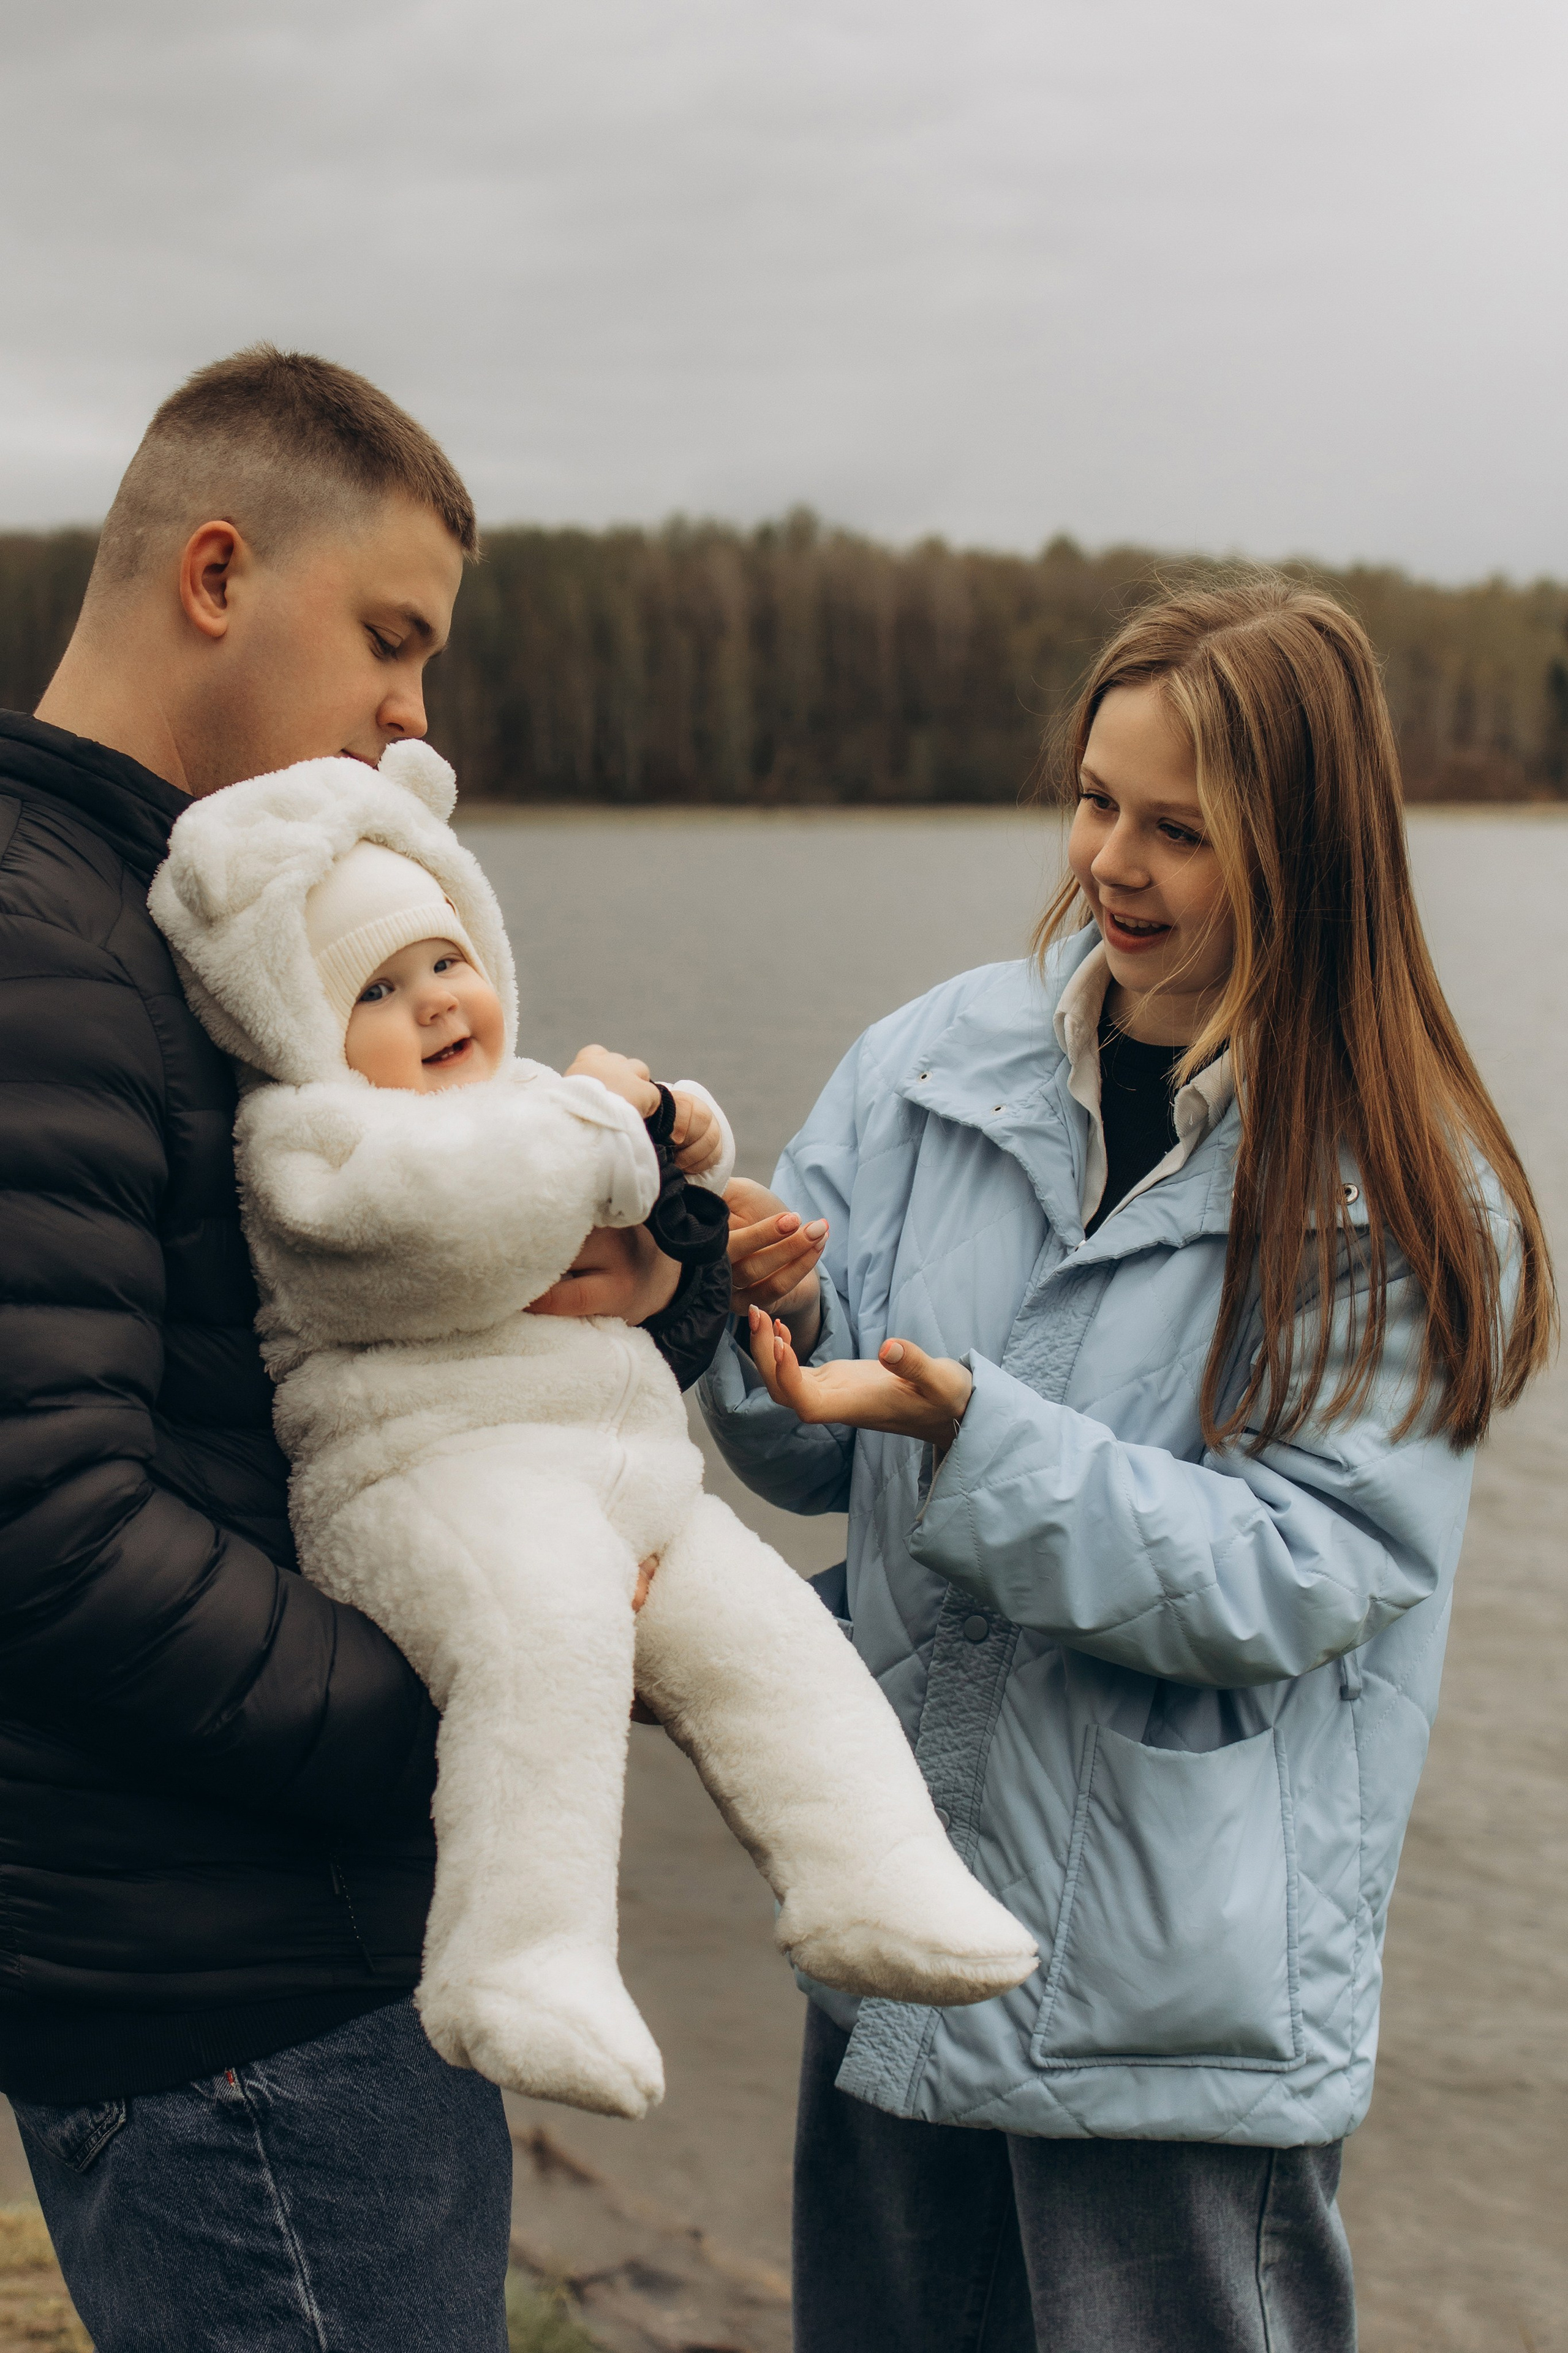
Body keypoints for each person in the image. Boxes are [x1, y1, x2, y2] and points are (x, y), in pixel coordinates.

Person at [707, 576, 1556, 2353]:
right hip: (894, 1902)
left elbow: (1300, 1572)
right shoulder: (928, 1060)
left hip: (1170, 2021)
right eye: (1098, 799)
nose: (1112, 860)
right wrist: (741, 1318)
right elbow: (799, 1450)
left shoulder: (1397, 1190)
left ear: (1309, 851)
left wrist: (973, 1437)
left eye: (1181, 828)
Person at [0, 346, 709, 2352]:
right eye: (393, 641)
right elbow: (42, 1520)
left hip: (259, 1967)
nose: (418, 716)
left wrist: (672, 1266)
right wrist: (455, 1714)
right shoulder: (44, 944)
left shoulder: (191, 912)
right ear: (217, 574)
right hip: (243, 2015)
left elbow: (384, 1260)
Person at [145, 742, 1036, 2121]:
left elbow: (671, 1154)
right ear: (307, 1029)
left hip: (616, 1476)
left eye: (444, 962)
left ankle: (872, 1876)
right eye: (374, 992)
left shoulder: (516, 1101)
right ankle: (516, 1957)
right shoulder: (316, 1146)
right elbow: (465, 1227)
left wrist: (669, 1128)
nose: (432, 1004)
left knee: (772, 1637)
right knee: (549, 1632)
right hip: (422, 1479)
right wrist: (604, 1129)